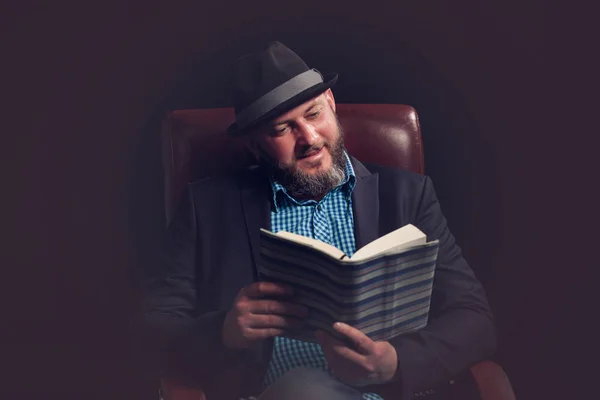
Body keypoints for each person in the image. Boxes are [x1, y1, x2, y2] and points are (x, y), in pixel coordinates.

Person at [139, 41, 496, 400]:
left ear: (331, 102)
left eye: (313, 114)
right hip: (272, 392)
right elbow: (152, 333)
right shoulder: (208, 207)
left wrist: (396, 363)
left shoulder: (408, 195)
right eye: (282, 129)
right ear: (253, 144)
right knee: (303, 389)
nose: (308, 139)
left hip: (385, 393)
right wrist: (224, 332)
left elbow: (475, 319)